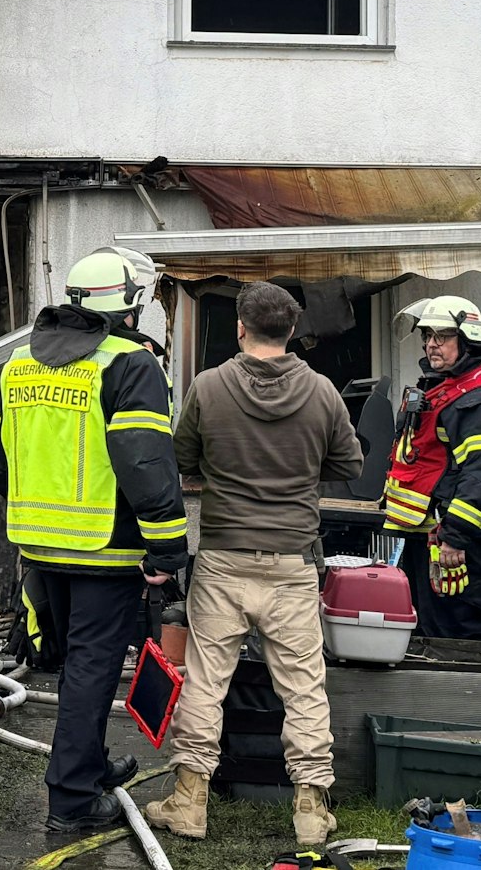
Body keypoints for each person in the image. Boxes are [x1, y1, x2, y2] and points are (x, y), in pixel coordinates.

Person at [143, 282, 362, 847]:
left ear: (241, 326)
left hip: (222, 559)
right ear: (291, 331)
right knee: (304, 687)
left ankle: (189, 803)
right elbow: (349, 461)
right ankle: (312, 810)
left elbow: (182, 458)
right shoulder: (321, 392)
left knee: (205, 683)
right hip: (291, 562)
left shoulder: (209, 387)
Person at [0, 247, 190, 831]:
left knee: (74, 665)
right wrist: (168, 548)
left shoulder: (17, 363)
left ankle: (92, 765)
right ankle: (72, 801)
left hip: (39, 546)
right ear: (129, 303)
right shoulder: (129, 364)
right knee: (91, 673)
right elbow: (147, 466)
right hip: (106, 548)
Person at [382, 296, 481, 640]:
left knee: (458, 638)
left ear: (467, 337)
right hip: (428, 534)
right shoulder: (447, 384)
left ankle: (467, 696)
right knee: (424, 632)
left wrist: (454, 537)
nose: (430, 344)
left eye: (441, 336)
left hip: (459, 541)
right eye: (427, 336)